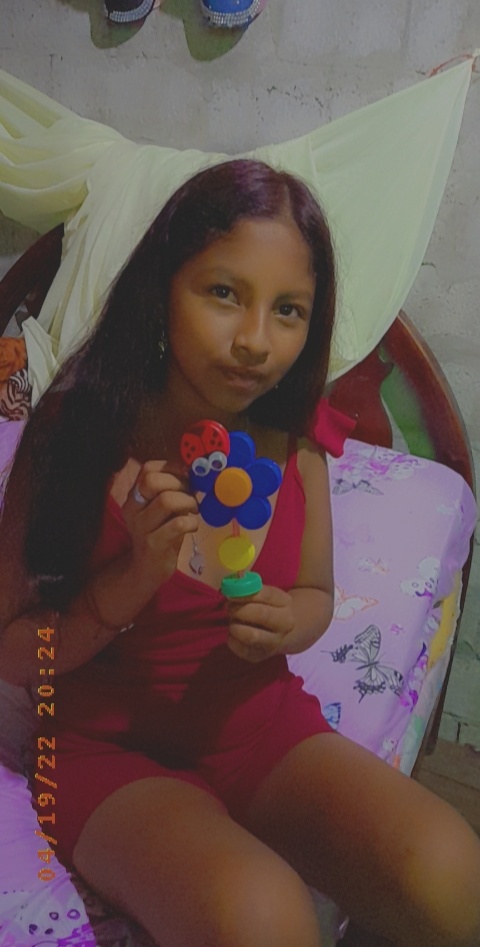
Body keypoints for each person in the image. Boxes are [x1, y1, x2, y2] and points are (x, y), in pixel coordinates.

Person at [0, 159, 479, 947]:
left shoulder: (296, 438)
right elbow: (18, 652)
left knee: (449, 865)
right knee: (264, 913)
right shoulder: (75, 433)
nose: (256, 341)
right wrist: (125, 587)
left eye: (288, 309)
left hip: (259, 727)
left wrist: (289, 619)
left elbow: (316, 595)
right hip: (106, 749)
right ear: (163, 287)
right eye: (224, 292)